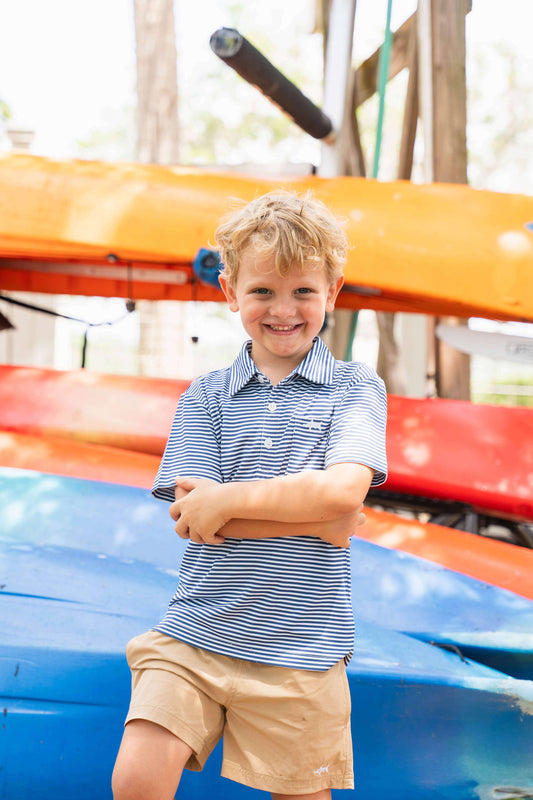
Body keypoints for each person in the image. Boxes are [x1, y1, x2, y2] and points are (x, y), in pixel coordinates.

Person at [112, 191, 387, 800]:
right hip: (195, 632)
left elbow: (345, 488)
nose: (283, 309)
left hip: (304, 649)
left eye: (303, 292)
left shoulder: (354, 387)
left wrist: (231, 500)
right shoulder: (208, 394)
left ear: (332, 292)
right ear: (231, 292)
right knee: (136, 780)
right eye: (263, 291)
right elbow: (194, 519)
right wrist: (319, 519)